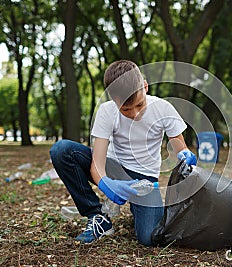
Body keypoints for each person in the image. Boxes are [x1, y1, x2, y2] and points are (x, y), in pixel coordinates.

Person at [50, 60, 196, 246]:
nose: (135, 114)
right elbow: (97, 163)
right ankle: (97, 216)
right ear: (113, 100)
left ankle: (139, 207)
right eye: (126, 109)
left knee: (149, 238)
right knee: (62, 150)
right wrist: (106, 184)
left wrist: (184, 154)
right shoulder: (107, 111)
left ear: (145, 86)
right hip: (113, 168)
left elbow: (180, 147)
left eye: (139, 105)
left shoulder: (163, 108)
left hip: (145, 179)